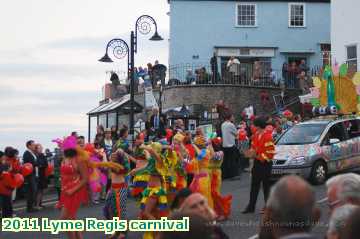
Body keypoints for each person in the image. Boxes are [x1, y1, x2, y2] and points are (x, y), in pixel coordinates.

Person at [56, 136, 89, 239]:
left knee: (64, 220)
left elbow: (85, 179)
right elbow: (62, 176)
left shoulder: (79, 159)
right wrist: (62, 194)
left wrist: (72, 190)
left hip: (76, 190)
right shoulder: (64, 157)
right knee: (71, 219)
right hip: (65, 190)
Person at [243, 116, 275, 214]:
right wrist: (248, 153)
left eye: (254, 124)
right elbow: (253, 148)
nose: (252, 126)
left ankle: (268, 207)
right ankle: (251, 207)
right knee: (254, 185)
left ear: (258, 126)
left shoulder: (268, 136)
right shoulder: (255, 136)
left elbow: (270, 153)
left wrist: (256, 155)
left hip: (265, 164)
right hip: (257, 164)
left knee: (266, 186)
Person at [104, 149, 133, 239]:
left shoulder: (121, 167)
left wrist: (122, 153)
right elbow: (107, 170)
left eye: (115, 154)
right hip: (112, 188)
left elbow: (125, 169)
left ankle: (123, 232)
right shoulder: (112, 164)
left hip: (121, 188)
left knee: (121, 211)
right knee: (110, 209)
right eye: (113, 154)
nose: (113, 155)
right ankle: (116, 229)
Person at [221, 113, 240, 179]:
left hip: (224, 145)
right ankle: (233, 175)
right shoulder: (231, 125)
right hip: (231, 145)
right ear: (229, 117)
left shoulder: (223, 124)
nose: (233, 118)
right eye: (232, 116)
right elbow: (236, 133)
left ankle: (226, 175)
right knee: (233, 160)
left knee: (226, 161)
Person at [23, 140, 39, 212]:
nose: (34, 146)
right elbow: (30, 163)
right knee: (31, 191)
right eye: (33, 145)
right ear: (29, 146)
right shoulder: (26, 153)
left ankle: (32, 206)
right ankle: (29, 207)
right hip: (30, 175)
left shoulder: (32, 153)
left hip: (34, 174)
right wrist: (37, 163)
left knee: (33, 191)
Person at [35, 144, 48, 209]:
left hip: (42, 174)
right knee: (38, 190)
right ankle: (37, 205)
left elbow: (46, 164)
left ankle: (40, 204)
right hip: (38, 175)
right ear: (36, 149)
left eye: (41, 148)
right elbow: (37, 164)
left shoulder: (42, 155)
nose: (41, 149)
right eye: (39, 148)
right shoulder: (35, 155)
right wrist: (41, 165)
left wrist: (41, 165)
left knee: (42, 190)